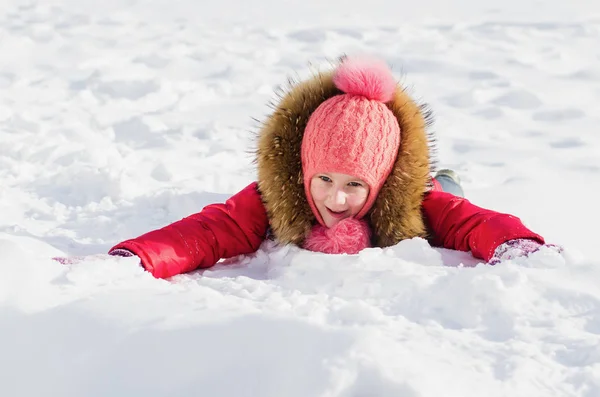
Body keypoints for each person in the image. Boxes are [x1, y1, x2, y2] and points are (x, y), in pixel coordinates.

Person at [59, 56, 557, 278]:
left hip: (425, 184)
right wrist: (134, 259)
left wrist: (517, 245)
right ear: (303, 172)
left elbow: (472, 222)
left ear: (380, 182)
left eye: (355, 185)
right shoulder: (277, 196)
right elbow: (212, 230)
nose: (336, 200)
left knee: (447, 190)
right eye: (325, 180)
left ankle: (444, 173)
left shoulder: (410, 197)